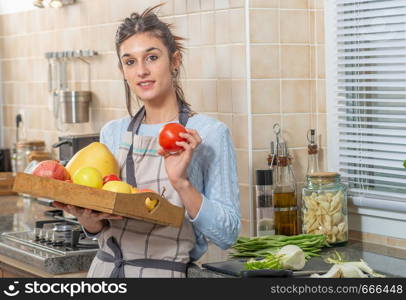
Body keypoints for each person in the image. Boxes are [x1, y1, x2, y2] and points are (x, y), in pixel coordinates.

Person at [53, 4, 240, 278]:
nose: (141, 70)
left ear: (174, 61)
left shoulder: (209, 134)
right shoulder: (113, 133)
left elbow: (227, 234)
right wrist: (87, 220)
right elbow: (100, 228)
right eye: (130, 61)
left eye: (152, 57)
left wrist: (182, 184)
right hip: (105, 274)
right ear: (123, 71)